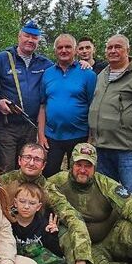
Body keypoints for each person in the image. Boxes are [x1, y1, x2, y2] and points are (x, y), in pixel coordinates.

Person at [88, 34, 132, 196]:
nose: (113, 51)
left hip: (128, 149)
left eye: (118, 47)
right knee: (104, 192)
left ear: (128, 50)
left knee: (131, 194)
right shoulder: (102, 75)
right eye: (109, 47)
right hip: (102, 146)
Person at [0, 20, 54, 172]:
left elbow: (64, 70)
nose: (30, 40)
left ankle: (24, 196)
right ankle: (6, 195)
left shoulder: (45, 64)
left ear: (38, 40)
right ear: (19, 36)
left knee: (28, 167)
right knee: (6, 168)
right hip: (7, 125)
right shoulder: (2, 59)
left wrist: (84, 64)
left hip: (31, 126)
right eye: (27, 36)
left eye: (34, 37)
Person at [37, 33, 96, 178]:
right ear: (55, 51)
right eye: (60, 47)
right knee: (48, 173)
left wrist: (91, 138)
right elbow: (43, 106)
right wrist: (41, 135)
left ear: (75, 50)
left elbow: (93, 107)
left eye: (68, 47)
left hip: (79, 135)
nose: (64, 50)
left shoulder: (88, 74)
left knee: (78, 176)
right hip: (52, 136)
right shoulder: (47, 74)